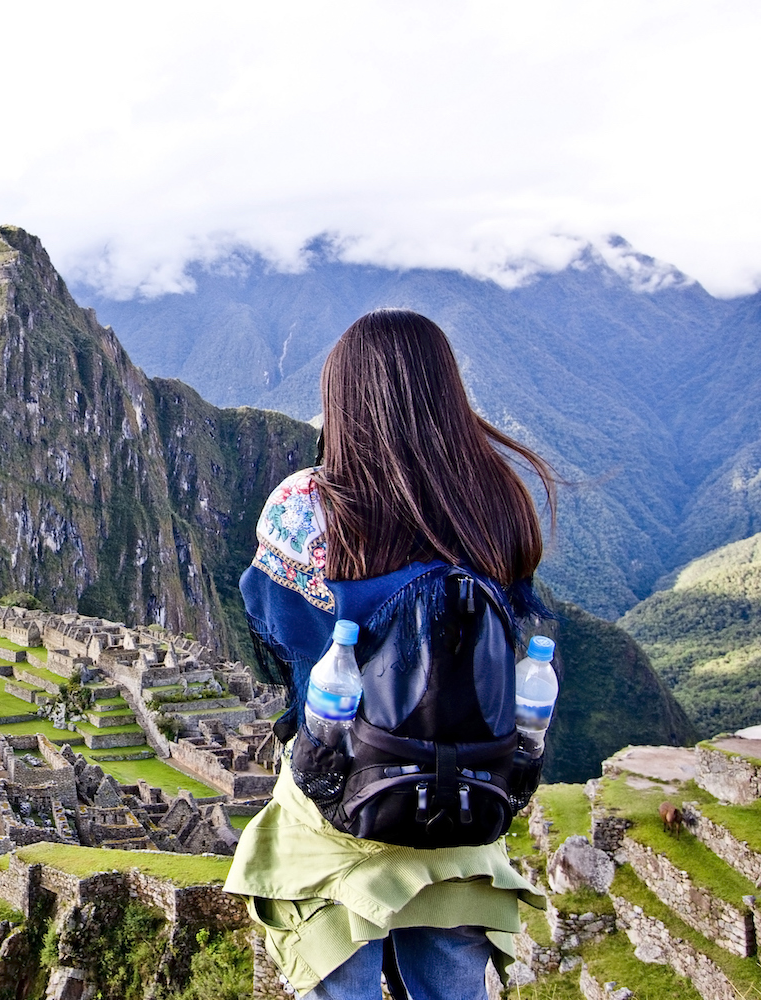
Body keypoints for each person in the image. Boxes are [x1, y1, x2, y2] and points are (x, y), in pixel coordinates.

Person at [223, 309, 556, 999]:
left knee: (331, 958)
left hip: (350, 807)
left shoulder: (308, 506)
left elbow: (279, 648)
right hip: (467, 803)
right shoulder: (501, 501)